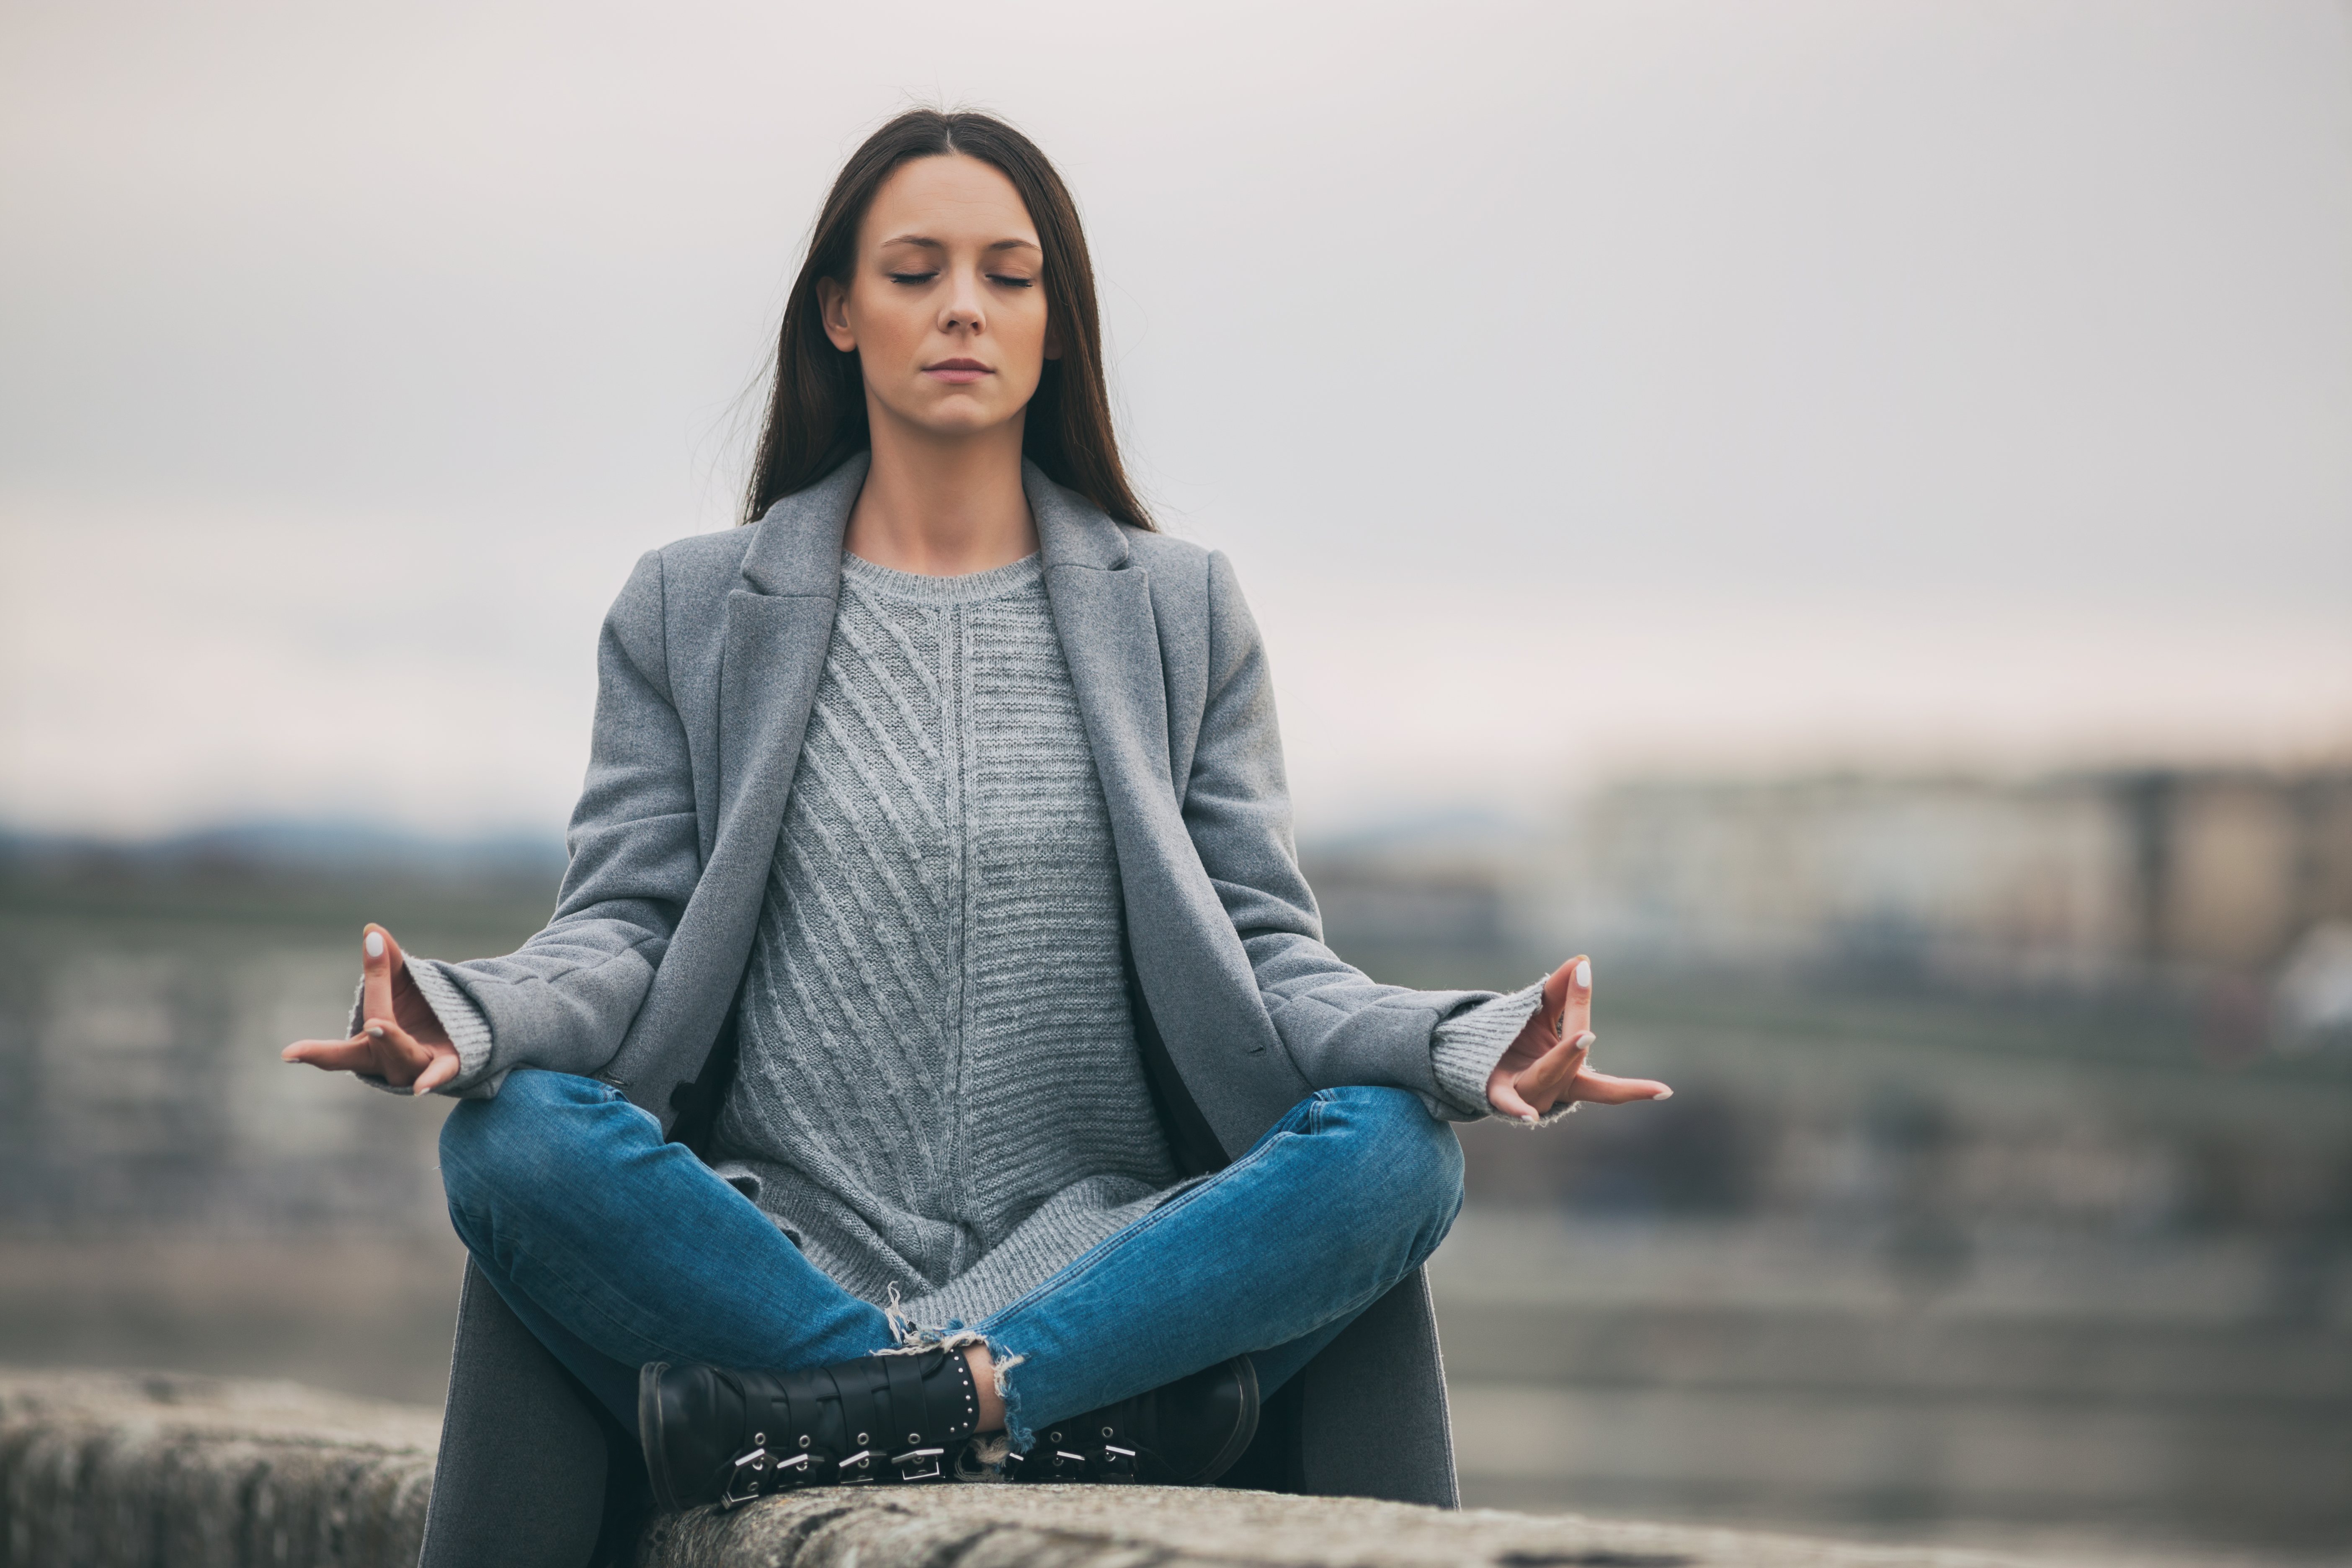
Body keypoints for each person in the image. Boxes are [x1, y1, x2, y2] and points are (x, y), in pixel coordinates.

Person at [282, 107, 1670, 1566]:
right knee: (512, 1145)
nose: (963, 306)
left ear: (1058, 325)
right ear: (837, 311)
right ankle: (1017, 1407)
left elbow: (1267, 954)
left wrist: (1466, 1042)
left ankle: (899, 1403)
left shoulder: (1182, 609)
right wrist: (467, 1015)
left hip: (1100, 1252)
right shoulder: (690, 607)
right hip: (776, 1253)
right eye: (915, 270)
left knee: (1401, 1155)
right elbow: (621, 928)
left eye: (1010, 275)